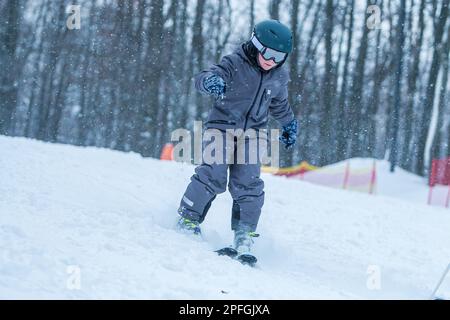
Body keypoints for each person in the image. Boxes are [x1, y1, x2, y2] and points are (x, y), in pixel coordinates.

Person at [176, 20, 298, 258]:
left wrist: (289, 123)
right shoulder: (235, 62)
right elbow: (206, 75)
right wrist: (211, 82)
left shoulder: (278, 76)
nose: (271, 60)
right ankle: (188, 220)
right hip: (221, 127)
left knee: (249, 182)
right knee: (213, 174)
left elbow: (280, 104)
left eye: (279, 56)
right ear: (256, 44)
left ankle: (244, 234)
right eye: (268, 53)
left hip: (254, 133)